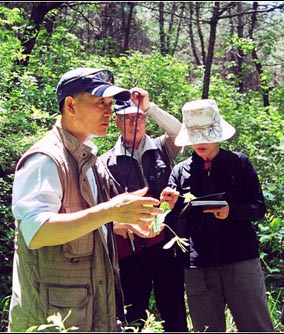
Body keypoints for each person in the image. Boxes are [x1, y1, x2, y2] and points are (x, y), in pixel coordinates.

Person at [9, 68, 163, 332]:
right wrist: (109, 212)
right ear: (70, 105)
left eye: (110, 104)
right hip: (52, 321)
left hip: (91, 315)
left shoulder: (90, 160)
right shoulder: (45, 160)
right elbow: (36, 232)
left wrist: (119, 223)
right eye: (99, 103)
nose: (109, 111)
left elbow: (82, 220)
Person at [160, 99, 274, 332]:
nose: (199, 142)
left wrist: (232, 211)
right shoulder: (180, 171)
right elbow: (170, 224)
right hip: (199, 266)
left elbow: (259, 207)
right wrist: (169, 207)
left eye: (206, 135)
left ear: (218, 134)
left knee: (256, 327)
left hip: (241, 260)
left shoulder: (238, 163)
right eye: (195, 136)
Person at [100, 89, 188, 331]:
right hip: (131, 251)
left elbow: (181, 132)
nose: (134, 123)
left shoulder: (163, 147)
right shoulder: (106, 162)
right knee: (133, 312)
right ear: (116, 122)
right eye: (127, 118)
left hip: (166, 245)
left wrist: (149, 107)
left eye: (139, 118)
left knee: (174, 310)